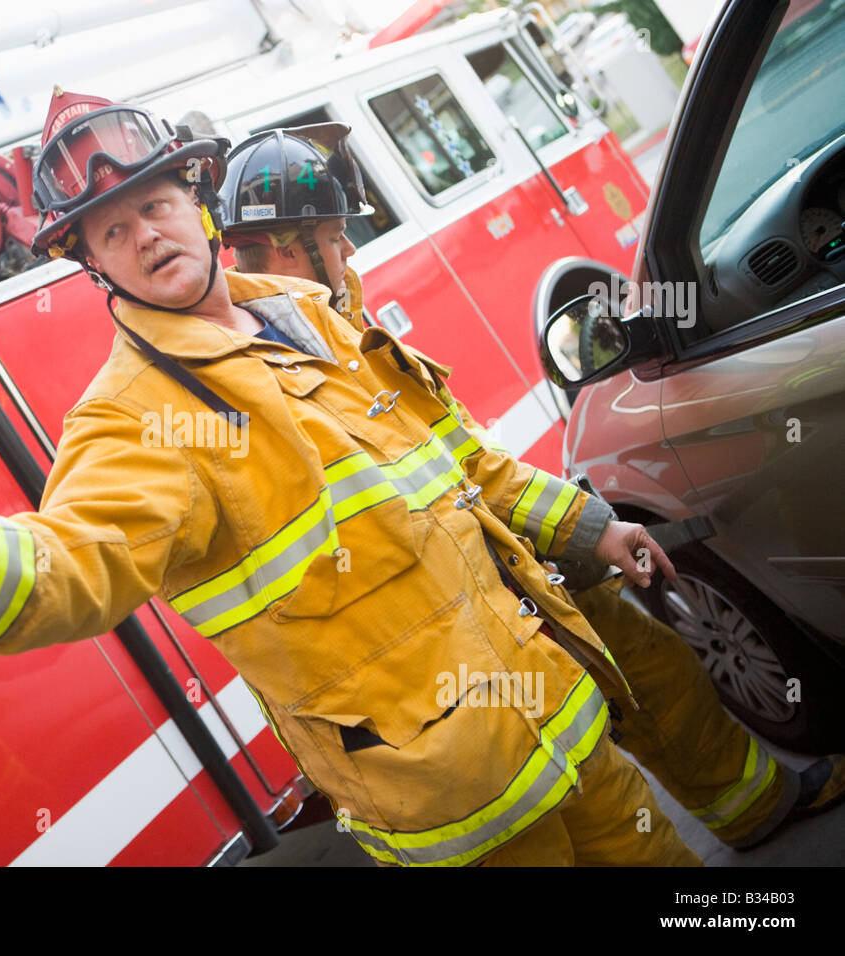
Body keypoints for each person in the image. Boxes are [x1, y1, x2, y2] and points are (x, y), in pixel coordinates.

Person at [0, 88, 706, 866]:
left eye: (154, 205)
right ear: (94, 267)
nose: (144, 236)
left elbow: (461, 461)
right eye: (113, 232)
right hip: (456, 800)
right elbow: (79, 553)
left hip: (559, 719)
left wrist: (597, 530)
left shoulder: (308, 314)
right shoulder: (131, 417)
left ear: (200, 201)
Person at [218, 122, 845, 853]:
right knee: (599, 789)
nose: (351, 249)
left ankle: (756, 807)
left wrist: (590, 531)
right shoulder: (262, 371)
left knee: (655, 670)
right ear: (293, 244)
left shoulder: (337, 330)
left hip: (515, 573)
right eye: (335, 232)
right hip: (462, 636)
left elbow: (469, 460)